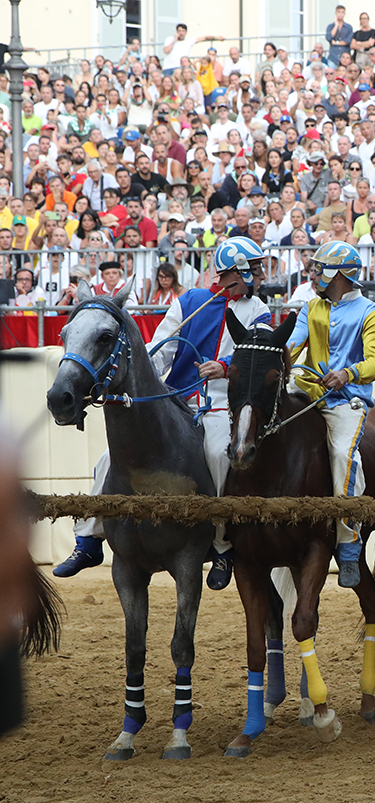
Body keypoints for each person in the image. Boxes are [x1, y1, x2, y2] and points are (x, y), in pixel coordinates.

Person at [53, 238, 272, 588]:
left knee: (218, 455)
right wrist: (144, 380)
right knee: (109, 460)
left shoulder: (258, 308)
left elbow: (256, 358)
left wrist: (225, 366)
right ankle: (89, 538)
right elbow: (161, 350)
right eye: (255, 267)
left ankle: (220, 545)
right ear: (237, 271)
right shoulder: (189, 301)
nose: (260, 274)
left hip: (219, 402)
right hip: (176, 398)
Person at [285, 242, 375, 588]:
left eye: (320, 269)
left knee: (343, 455)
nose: (313, 275)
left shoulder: (371, 312)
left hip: (346, 401)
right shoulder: (309, 308)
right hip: (307, 393)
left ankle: (347, 544)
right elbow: (292, 347)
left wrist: (348, 373)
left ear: (341, 275)